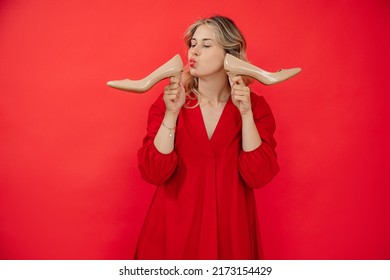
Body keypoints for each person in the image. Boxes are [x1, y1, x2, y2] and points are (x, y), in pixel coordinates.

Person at [135, 15, 279, 260]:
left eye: (206, 44)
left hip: (231, 237)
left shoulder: (255, 107)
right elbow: (153, 171)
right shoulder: (170, 103)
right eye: (193, 44)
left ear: (230, 54)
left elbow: (259, 174)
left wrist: (245, 114)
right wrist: (171, 114)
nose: (195, 51)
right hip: (173, 235)